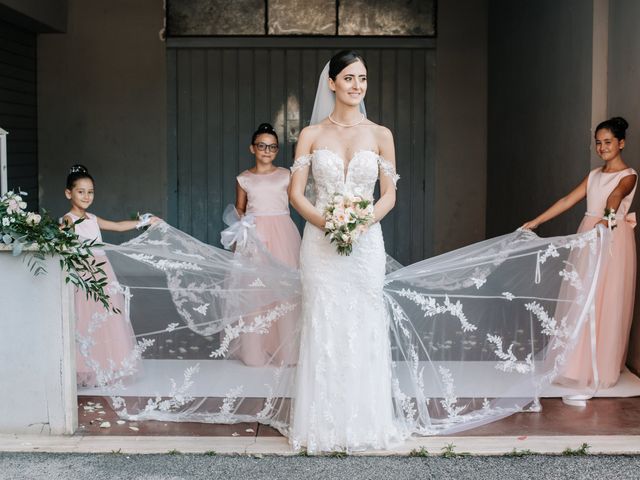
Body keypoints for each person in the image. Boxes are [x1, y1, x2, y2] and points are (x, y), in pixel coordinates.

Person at [523, 117, 637, 394]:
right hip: (589, 234)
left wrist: (608, 219)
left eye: (608, 142)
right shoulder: (594, 174)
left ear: (621, 143)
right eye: (598, 143)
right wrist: (536, 222)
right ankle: (574, 364)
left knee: (606, 298)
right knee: (581, 296)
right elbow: (566, 200)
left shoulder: (629, 175)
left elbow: (615, 197)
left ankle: (603, 365)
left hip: (611, 237)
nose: (602, 147)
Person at [63, 164, 159, 386]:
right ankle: (84, 366)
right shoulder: (68, 219)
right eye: (81, 191)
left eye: (91, 191)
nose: (87, 196)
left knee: (107, 318)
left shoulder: (93, 219)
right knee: (85, 319)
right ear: (69, 193)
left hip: (102, 271)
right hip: (84, 272)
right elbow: (65, 240)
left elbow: (117, 226)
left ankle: (106, 363)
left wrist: (145, 222)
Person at [224, 123, 301, 366]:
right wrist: (240, 230)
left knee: (284, 289)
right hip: (256, 236)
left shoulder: (286, 175)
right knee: (255, 289)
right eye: (262, 146)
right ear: (252, 148)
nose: (267, 151)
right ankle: (254, 351)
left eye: (272, 147)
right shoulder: (244, 178)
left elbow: (297, 201)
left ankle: (286, 350)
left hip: (283, 234)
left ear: (277, 151)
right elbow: (240, 208)